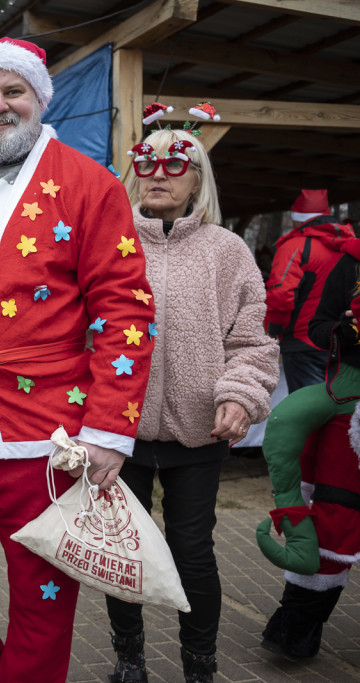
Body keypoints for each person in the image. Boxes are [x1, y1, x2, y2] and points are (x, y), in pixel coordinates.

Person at [0, 38, 155, 683]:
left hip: (47, 436)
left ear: (40, 100)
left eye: (12, 92)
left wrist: (108, 430)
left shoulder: (88, 184)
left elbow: (124, 310)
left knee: (43, 605)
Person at [105, 128, 279, 683]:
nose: (158, 173)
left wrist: (239, 396)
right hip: (117, 434)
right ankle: (129, 660)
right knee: (123, 555)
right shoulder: (111, 241)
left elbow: (251, 341)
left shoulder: (226, 251)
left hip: (199, 433)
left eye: (175, 165)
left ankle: (199, 666)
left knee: (192, 554)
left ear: (198, 179)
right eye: (147, 162)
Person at [259, 237, 360, 659]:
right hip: (349, 406)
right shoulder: (353, 260)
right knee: (336, 519)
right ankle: (295, 631)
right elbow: (319, 324)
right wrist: (347, 332)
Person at [265, 189, 354, 392]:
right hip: (344, 344)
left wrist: (274, 330)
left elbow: (280, 296)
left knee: (307, 416)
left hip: (303, 344)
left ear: (298, 220)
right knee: (338, 413)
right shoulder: (349, 246)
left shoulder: (294, 247)